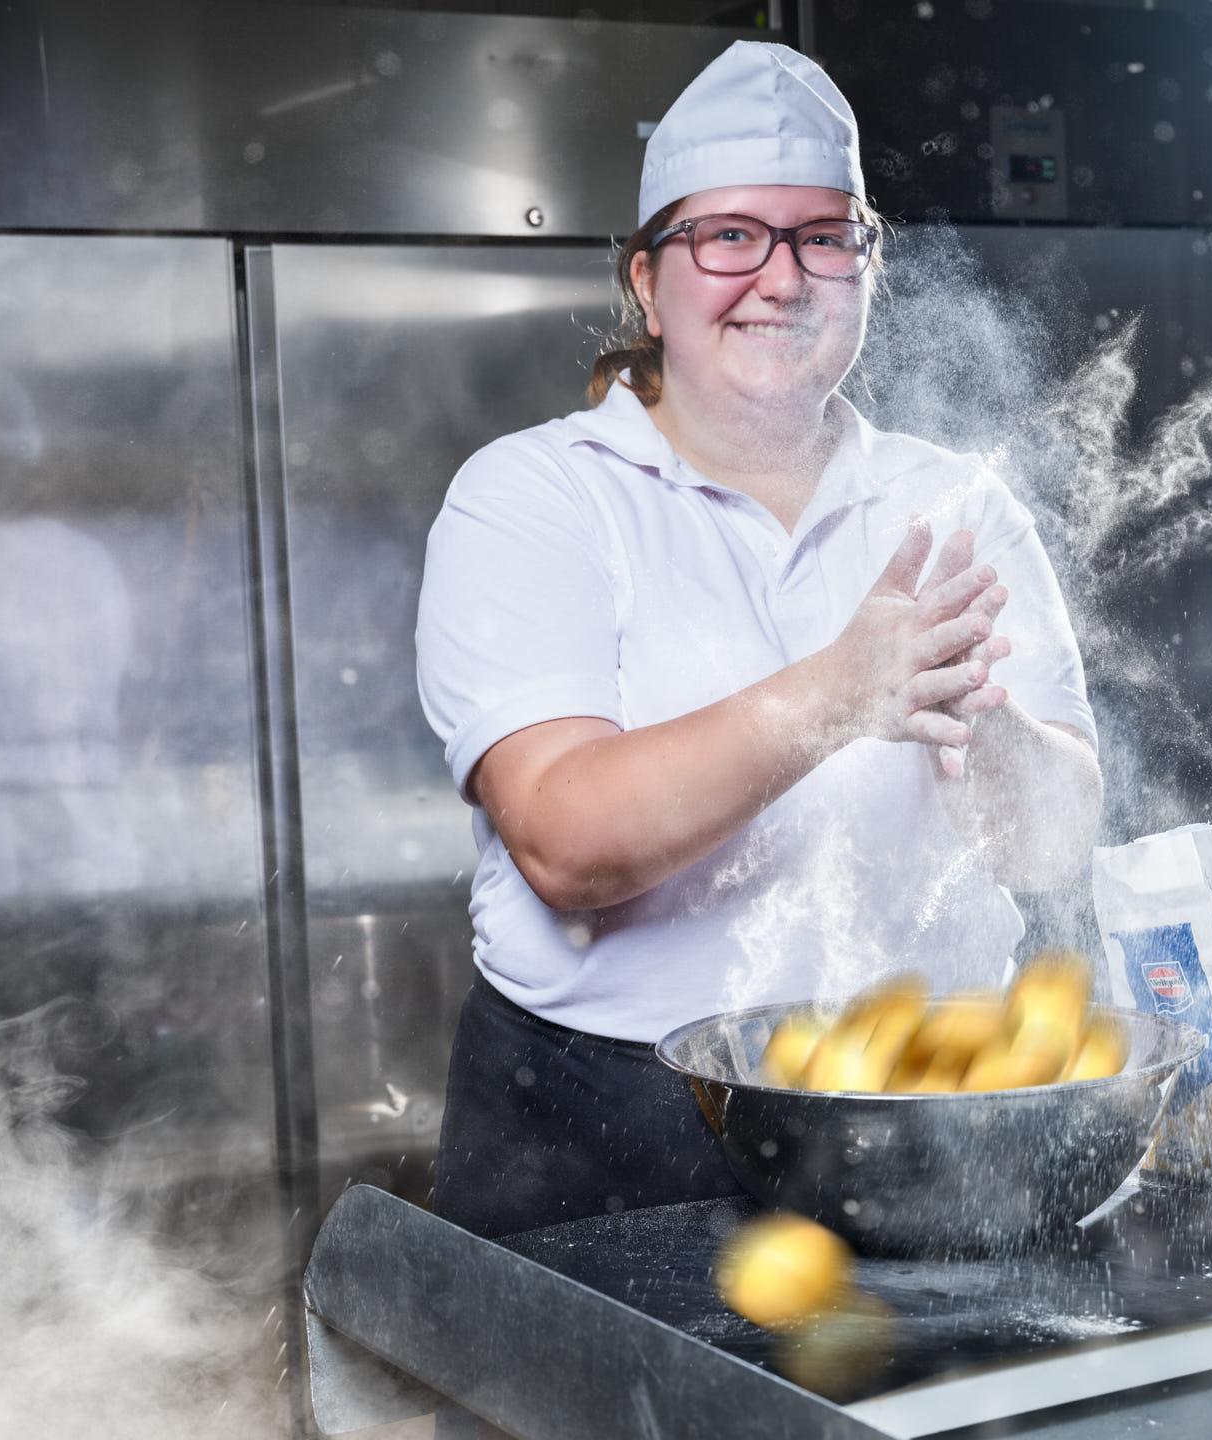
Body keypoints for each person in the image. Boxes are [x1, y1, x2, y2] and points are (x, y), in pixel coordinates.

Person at [415, 41, 1102, 1238]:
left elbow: (1054, 847)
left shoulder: (956, 502)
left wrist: (980, 726)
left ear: (867, 269)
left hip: (926, 1103)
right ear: (648, 282)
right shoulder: (537, 496)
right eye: (730, 235)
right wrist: (842, 691)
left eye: (824, 237)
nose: (781, 278)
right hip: (609, 1128)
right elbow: (567, 843)